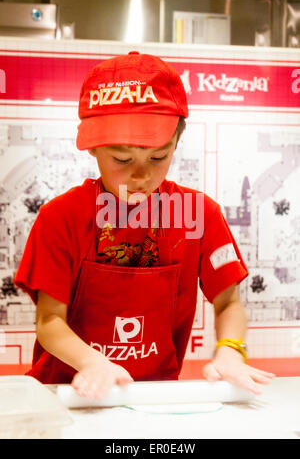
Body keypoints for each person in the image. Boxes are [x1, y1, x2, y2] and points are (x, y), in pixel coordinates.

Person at [14, 51, 274, 400]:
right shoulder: (61, 218)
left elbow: (228, 303)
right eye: (122, 159)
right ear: (93, 148)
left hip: (154, 398)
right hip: (67, 397)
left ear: (176, 143)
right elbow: (49, 322)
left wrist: (230, 350)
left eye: (158, 157)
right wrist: (94, 363)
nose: (141, 175)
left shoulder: (199, 214)